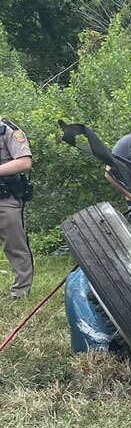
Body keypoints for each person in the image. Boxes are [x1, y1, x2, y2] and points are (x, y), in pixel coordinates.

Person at [0, 116, 34, 300]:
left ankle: (20, 293)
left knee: (16, 246)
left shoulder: (6, 129)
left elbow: (24, 162)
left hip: (4, 198)